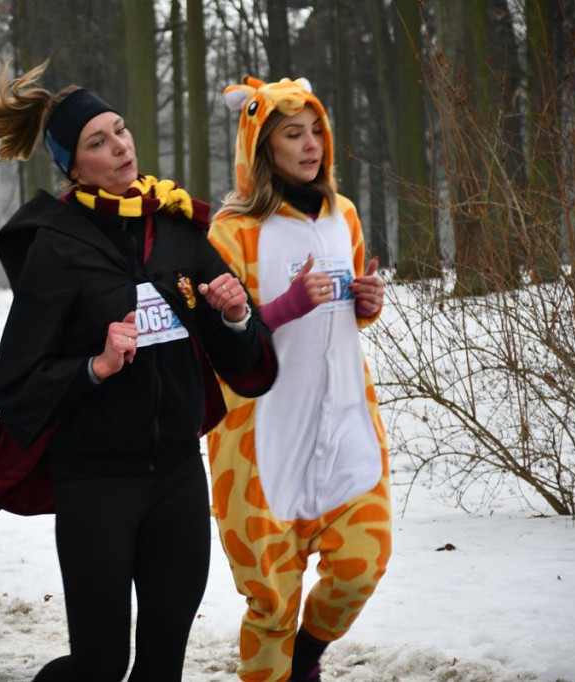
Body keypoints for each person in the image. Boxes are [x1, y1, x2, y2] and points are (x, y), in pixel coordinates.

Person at [0, 61, 277, 681]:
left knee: (163, 665)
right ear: (73, 166)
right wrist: (94, 367)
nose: (120, 147)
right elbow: (16, 385)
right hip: (96, 485)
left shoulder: (176, 230)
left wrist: (239, 316)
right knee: (101, 666)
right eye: (98, 141)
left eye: (121, 131)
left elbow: (247, 365)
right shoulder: (57, 247)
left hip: (177, 478)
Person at [205, 76, 392, 682]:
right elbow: (219, 340)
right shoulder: (231, 231)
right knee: (272, 601)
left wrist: (366, 302)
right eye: (293, 134)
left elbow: (350, 316)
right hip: (262, 438)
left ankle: (305, 656)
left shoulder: (344, 215)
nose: (311, 145)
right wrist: (286, 304)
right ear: (262, 146)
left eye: (316, 131)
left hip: (343, 421)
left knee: (364, 561)